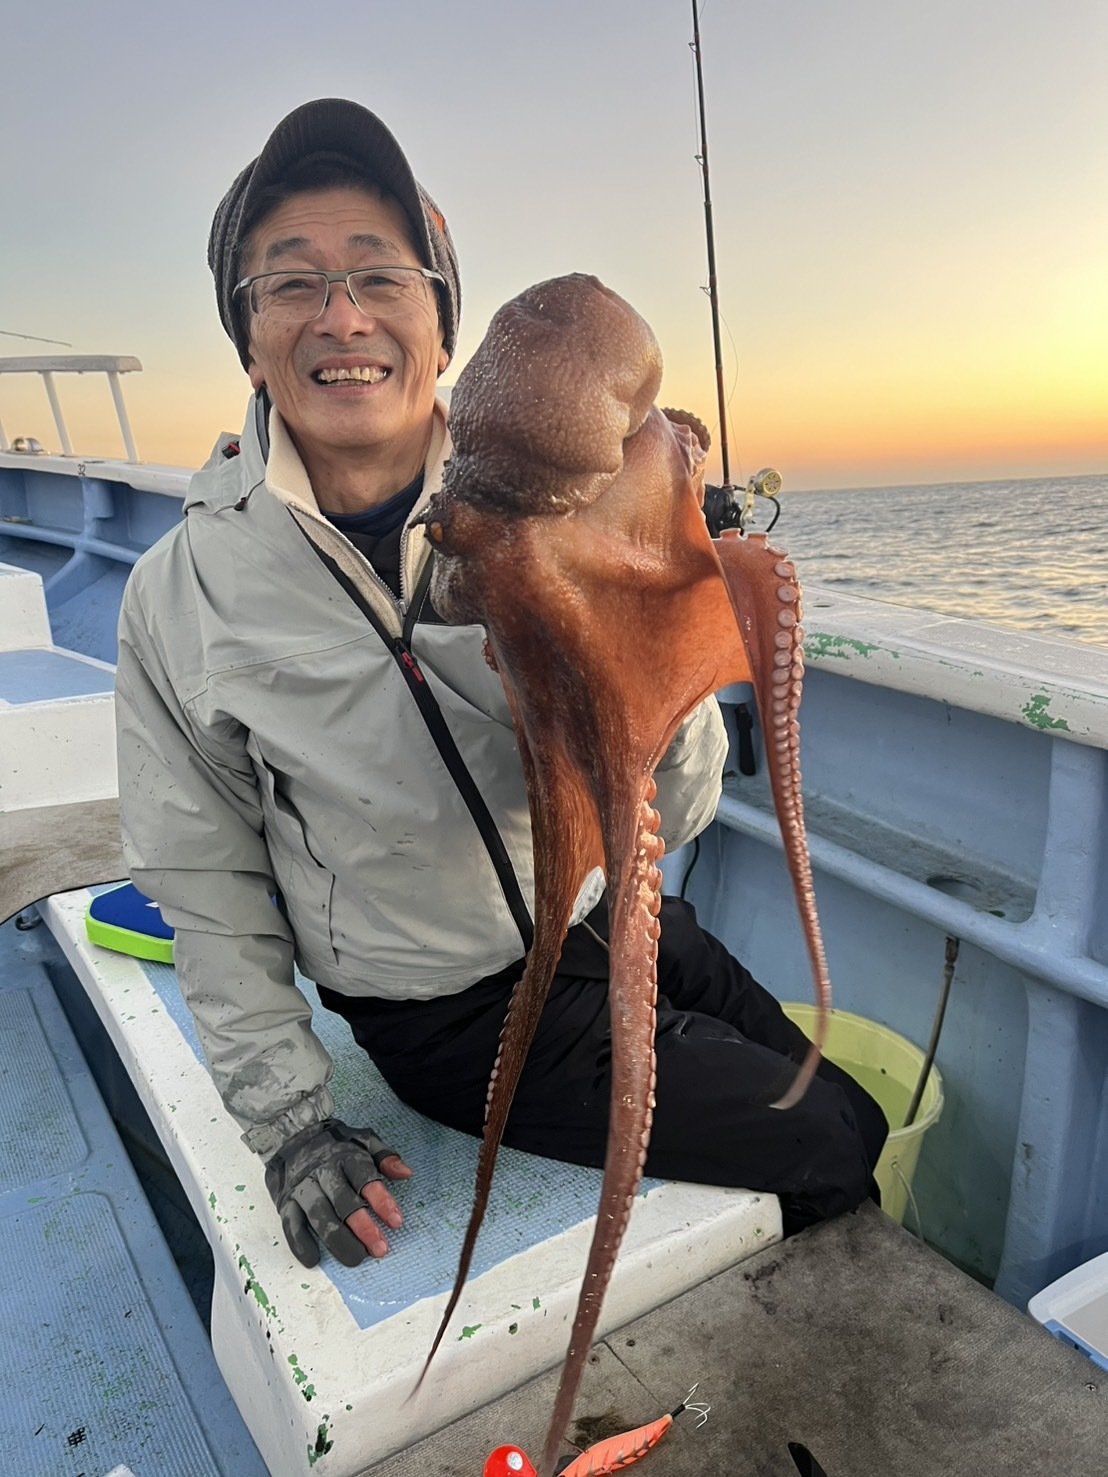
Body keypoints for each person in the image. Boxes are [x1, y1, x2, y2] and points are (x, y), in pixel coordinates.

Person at [115, 98, 886, 1273]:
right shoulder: (182, 593)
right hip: (445, 1012)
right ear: (248, 336)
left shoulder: (572, 501)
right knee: (825, 1139)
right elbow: (205, 878)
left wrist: (649, 617)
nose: (342, 315)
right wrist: (292, 1126)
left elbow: (675, 813)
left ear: (439, 327)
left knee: (846, 1106)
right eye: (290, 283)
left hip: (610, 917)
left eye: (381, 275)